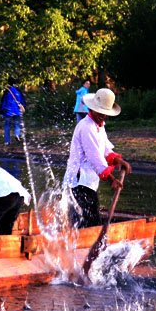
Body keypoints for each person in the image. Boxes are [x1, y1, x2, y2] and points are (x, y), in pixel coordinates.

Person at [63, 87, 131, 228]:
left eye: (105, 113)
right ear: (92, 108)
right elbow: (94, 157)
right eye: (100, 112)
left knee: (87, 221)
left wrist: (118, 160)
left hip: (87, 181)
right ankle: (83, 247)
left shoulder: (99, 125)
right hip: (79, 181)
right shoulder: (87, 127)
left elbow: (105, 148)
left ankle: (81, 245)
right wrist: (112, 179)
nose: (102, 115)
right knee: (90, 222)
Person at [0, 78, 26, 146]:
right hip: (17, 111)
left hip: (8, 111)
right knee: (17, 125)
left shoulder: (7, 91)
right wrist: (23, 108)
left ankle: (7, 141)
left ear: (9, 83)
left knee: (7, 126)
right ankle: (16, 134)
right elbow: (23, 101)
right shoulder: (19, 91)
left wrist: (1, 111)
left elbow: (3, 102)